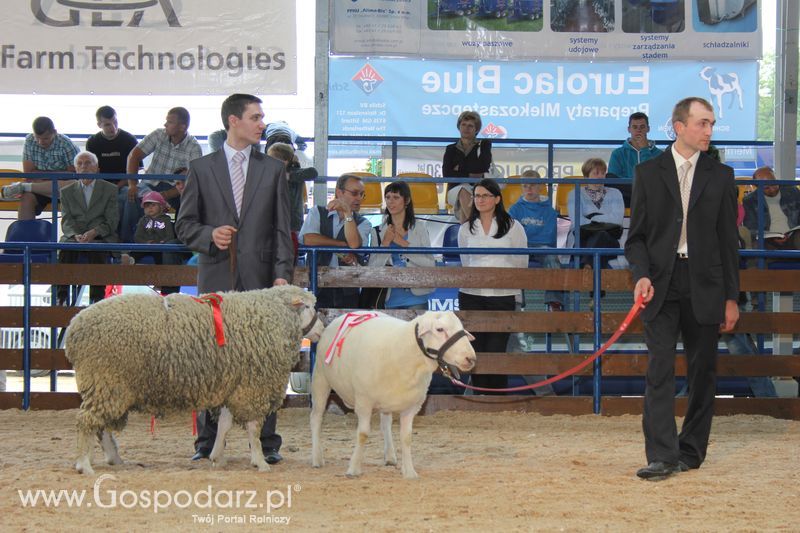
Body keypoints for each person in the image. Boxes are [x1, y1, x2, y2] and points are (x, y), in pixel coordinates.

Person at [175, 93, 294, 465]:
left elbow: (282, 229)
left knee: (266, 361)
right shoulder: (200, 167)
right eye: (255, 117)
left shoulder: (274, 170)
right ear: (233, 121)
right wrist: (209, 235)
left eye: (262, 117)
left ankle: (268, 442)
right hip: (216, 280)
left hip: (261, 282)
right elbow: (184, 225)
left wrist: (281, 276)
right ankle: (207, 442)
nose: (262, 123)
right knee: (210, 361)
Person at [625, 96, 739, 480]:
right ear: (679, 126)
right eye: (702, 123)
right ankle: (661, 454)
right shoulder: (648, 173)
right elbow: (635, 238)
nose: (709, 131)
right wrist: (640, 274)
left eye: (711, 124)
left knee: (702, 372)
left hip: (706, 285)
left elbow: (729, 243)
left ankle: (691, 451)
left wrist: (731, 298)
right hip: (660, 284)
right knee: (659, 369)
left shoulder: (721, 176)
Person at [458, 178, 528, 393]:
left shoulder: (514, 227)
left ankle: (497, 400)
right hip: (471, 295)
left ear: (497, 199)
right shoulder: (465, 228)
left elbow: (521, 263)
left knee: (497, 350)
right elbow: (465, 262)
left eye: (485, 195)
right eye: (477, 196)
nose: (480, 200)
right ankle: (480, 399)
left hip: (503, 295)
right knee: (476, 350)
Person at [123, 107, 202, 241]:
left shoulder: (194, 147)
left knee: (183, 205)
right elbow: (133, 156)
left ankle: (172, 245)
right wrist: (132, 184)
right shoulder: (159, 134)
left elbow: (191, 181)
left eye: (170, 122)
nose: (165, 125)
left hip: (173, 191)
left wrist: (163, 196)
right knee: (131, 197)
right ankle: (126, 248)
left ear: (183, 127)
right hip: (149, 185)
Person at [298, 174, 373, 309]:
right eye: (355, 193)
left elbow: (354, 244)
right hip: (318, 285)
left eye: (362, 194)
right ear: (339, 192)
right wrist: (342, 245)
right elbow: (308, 239)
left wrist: (348, 214)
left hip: (348, 289)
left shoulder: (364, 222)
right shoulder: (317, 211)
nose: (359, 199)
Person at [57, 151, 119, 305]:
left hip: (100, 236)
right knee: (65, 248)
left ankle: (96, 299)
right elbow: (66, 221)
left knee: (97, 249)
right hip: (76, 236)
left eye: (88, 163)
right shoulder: (66, 192)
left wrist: (95, 232)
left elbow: (112, 221)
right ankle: (61, 297)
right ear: (76, 169)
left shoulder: (110, 189)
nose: (84, 166)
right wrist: (75, 235)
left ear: (97, 167)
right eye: (80, 164)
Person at [367, 181, 435, 310]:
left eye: (396, 197)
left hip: (417, 297)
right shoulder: (377, 231)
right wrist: (385, 244)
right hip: (388, 298)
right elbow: (373, 268)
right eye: (388, 197)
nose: (390, 201)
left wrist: (403, 244)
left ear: (407, 200)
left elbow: (430, 264)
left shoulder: (420, 228)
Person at [1, 116, 79, 220]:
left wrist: (41, 175)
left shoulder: (66, 144)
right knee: (26, 198)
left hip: (63, 188)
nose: (40, 142)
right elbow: (29, 174)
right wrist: (57, 174)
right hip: (40, 185)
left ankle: (23, 187)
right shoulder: (29, 140)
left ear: (54, 132)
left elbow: (73, 174)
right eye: (37, 137)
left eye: (45, 138)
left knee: (71, 186)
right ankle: (26, 234)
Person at [508, 169, 564, 311]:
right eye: (525, 186)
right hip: (521, 247)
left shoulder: (549, 211)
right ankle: (517, 303)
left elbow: (549, 236)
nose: (529, 189)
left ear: (540, 187)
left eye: (533, 185)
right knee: (512, 260)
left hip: (542, 247)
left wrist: (526, 231)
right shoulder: (514, 209)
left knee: (551, 257)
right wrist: (533, 233)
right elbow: (512, 234)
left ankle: (554, 302)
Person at [567, 158, 624, 270]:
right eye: (596, 173)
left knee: (602, 236)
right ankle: (593, 278)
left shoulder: (616, 193)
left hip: (609, 240)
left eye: (603, 173)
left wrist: (592, 217)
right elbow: (577, 221)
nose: (600, 177)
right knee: (600, 237)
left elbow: (617, 220)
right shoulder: (574, 193)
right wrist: (605, 221)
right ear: (586, 175)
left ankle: (587, 267)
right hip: (583, 239)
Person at [132, 190, 183, 295]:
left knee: (161, 256)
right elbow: (137, 236)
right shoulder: (143, 220)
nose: (150, 208)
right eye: (147, 206)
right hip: (145, 246)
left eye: (153, 205)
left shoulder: (166, 220)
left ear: (161, 207)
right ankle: (128, 260)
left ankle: (160, 281)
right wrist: (145, 242)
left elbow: (170, 235)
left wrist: (163, 242)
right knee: (134, 251)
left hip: (160, 247)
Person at [607, 112, 663, 206]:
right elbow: (614, 183)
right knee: (609, 177)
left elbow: (654, 178)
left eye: (642, 127)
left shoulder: (659, 154)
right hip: (627, 198)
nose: (638, 131)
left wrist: (645, 150)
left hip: (652, 197)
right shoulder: (618, 153)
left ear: (648, 129)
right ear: (629, 129)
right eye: (635, 127)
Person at [742, 166, 800, 251]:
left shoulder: (793, 192)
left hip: (794, 237)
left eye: (773, 184)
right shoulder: (750, 201)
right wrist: (770, 238)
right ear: (756, 186)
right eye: (766, 188)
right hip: (767, 241)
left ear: (775, 178)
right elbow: (751, 228)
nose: (772, 189)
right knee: (756, 249)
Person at [266, 142, 318, 234]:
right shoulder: (269, 174)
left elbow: (313, 173)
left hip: (291, 224)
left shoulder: (295, 173)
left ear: (284, 161)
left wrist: (289, 176)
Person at [442, 111, 492, 192]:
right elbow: (447, 174)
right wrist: (471, 174)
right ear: (459, 127)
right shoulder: (450, 148)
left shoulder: (484, 145)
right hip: (456, 188)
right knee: (463, 190)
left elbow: (484, 167)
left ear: (476, 129)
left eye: (470, 126)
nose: (466, 128)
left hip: (479, 187)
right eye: (463, 124)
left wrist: (458, 169)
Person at [85, 106, 139, 178]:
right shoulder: (92, 142)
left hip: (125, 183)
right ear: (99, 125)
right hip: (101, 184)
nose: (113, 127)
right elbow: (90, 170)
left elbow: (136, 169)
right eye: (107, 124)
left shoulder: (130, 140)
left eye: (115, 122)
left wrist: (116, 187)